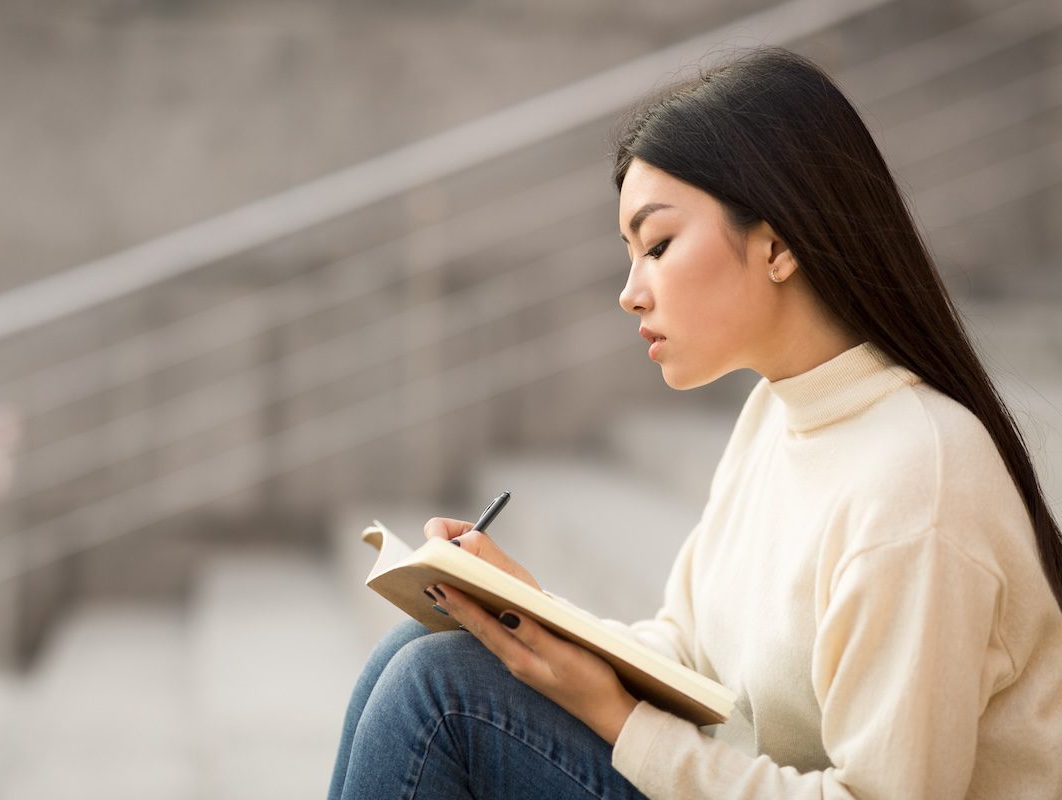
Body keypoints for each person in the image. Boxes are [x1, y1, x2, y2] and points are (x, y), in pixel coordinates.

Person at [327, 47, 1062, 799]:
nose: (630, 294)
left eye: (658, 245)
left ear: (777, 245)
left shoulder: (919, 479)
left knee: (437, 690)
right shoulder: (776, 413)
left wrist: (618, 717)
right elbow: (688, 652)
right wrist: (530, 613)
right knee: (426, 643)